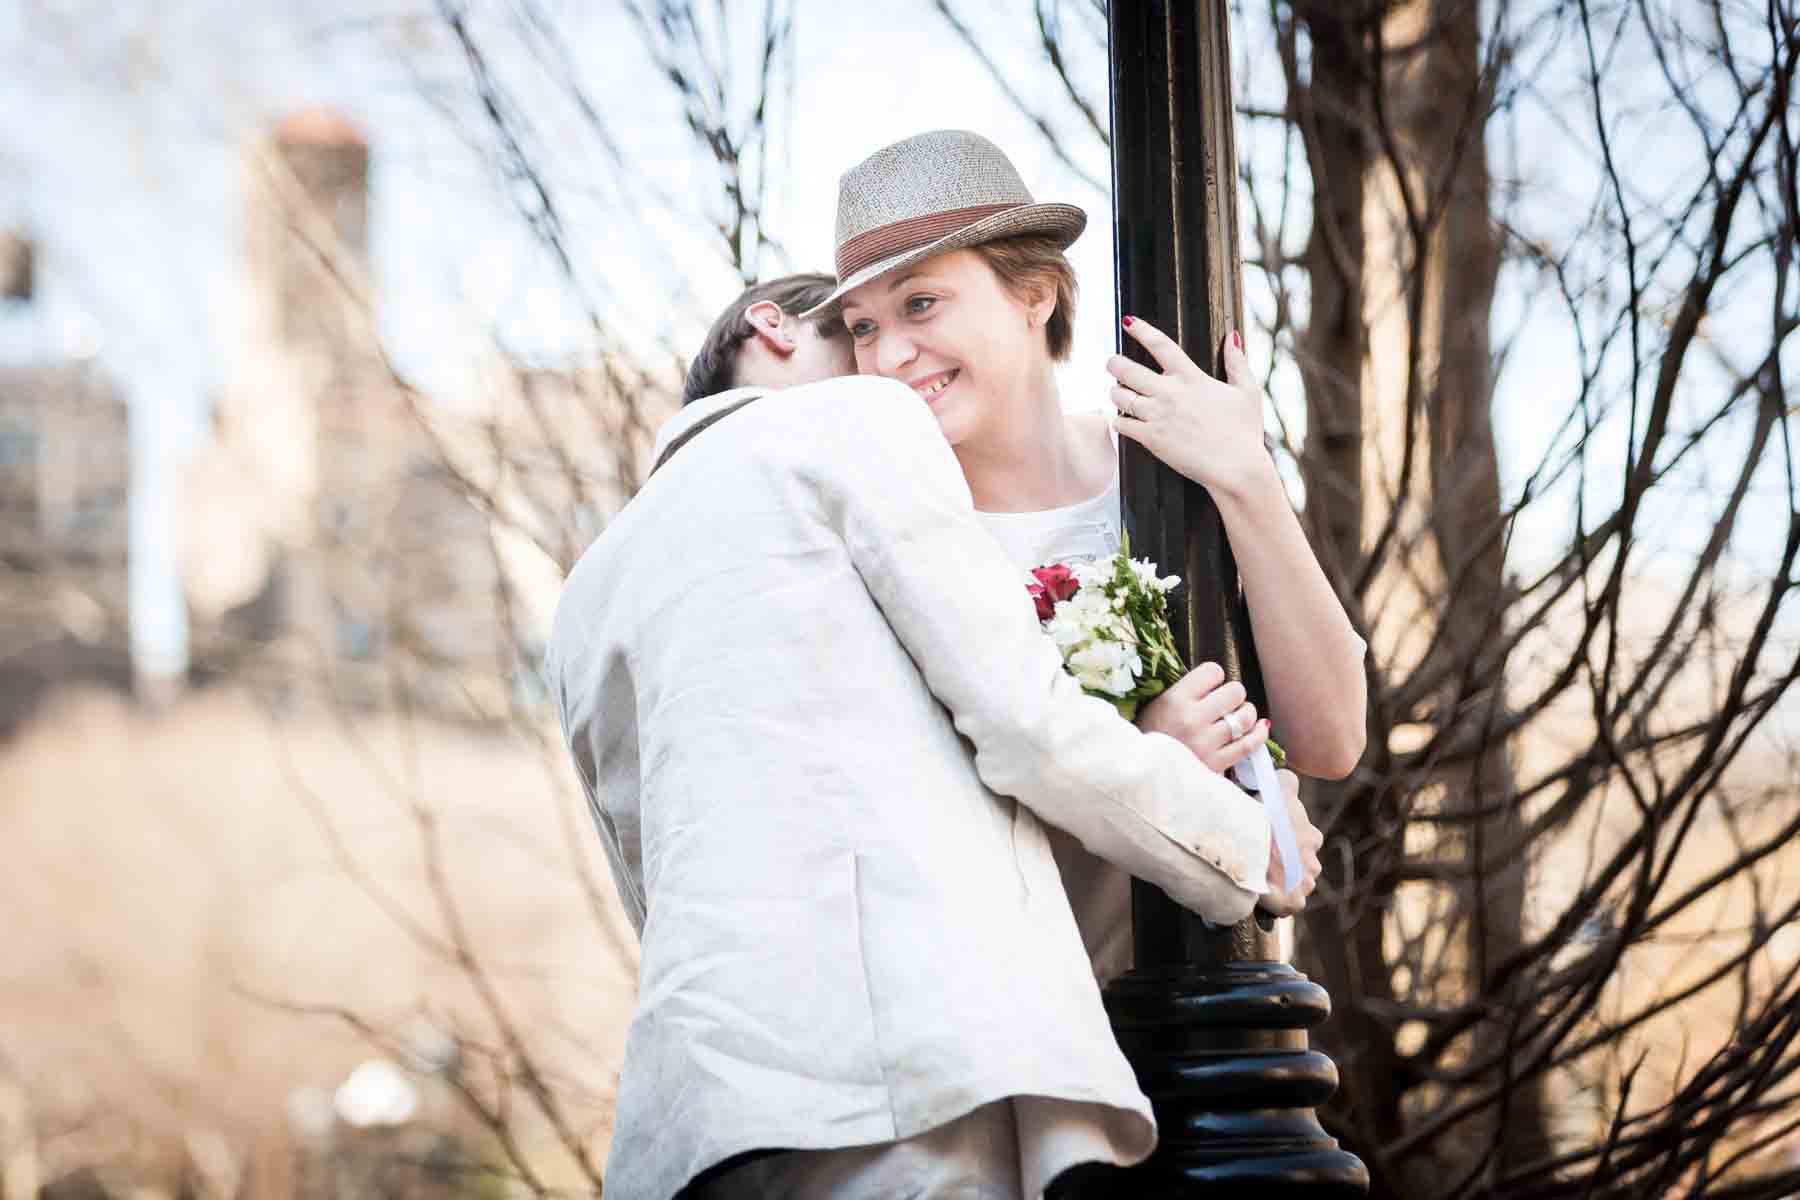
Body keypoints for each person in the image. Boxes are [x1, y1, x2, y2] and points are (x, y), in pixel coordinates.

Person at [545, 272, 1325, 1200]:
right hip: (902, 1091)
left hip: (697, 1122)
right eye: (859, 329)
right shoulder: (848, 425)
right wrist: (1247, 844)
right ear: (773, 325)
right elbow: (1024, 725)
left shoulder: (588, 589)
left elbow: (649, 881)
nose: (887, 365)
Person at [810, 129, 1369, 983]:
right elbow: (915, 844)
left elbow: (1330, 736)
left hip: (1225, 1024)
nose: (887, 355)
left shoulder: (1164, 474)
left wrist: (1246, 477)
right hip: (1038, 1033)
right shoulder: (897, 540)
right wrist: (1149, 761)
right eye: (862, 326)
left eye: (920, 304)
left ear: (1034, 293)